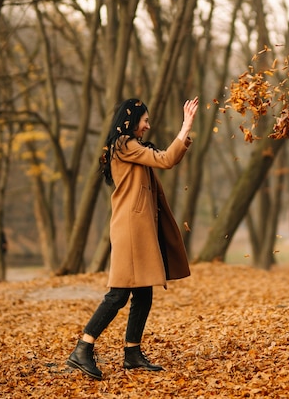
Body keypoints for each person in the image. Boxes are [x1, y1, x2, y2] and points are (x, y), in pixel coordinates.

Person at [66, 96, 199, 380]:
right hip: (129, 228)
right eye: (145, 120)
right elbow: (165, 160)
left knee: (142, 292)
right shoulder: (125, 145)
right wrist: (185, 126)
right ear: (132, 120)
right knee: (118, 293)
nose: (147, 126)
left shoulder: (130, 147)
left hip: (136, 227)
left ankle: (132, 353)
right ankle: (82, 349)